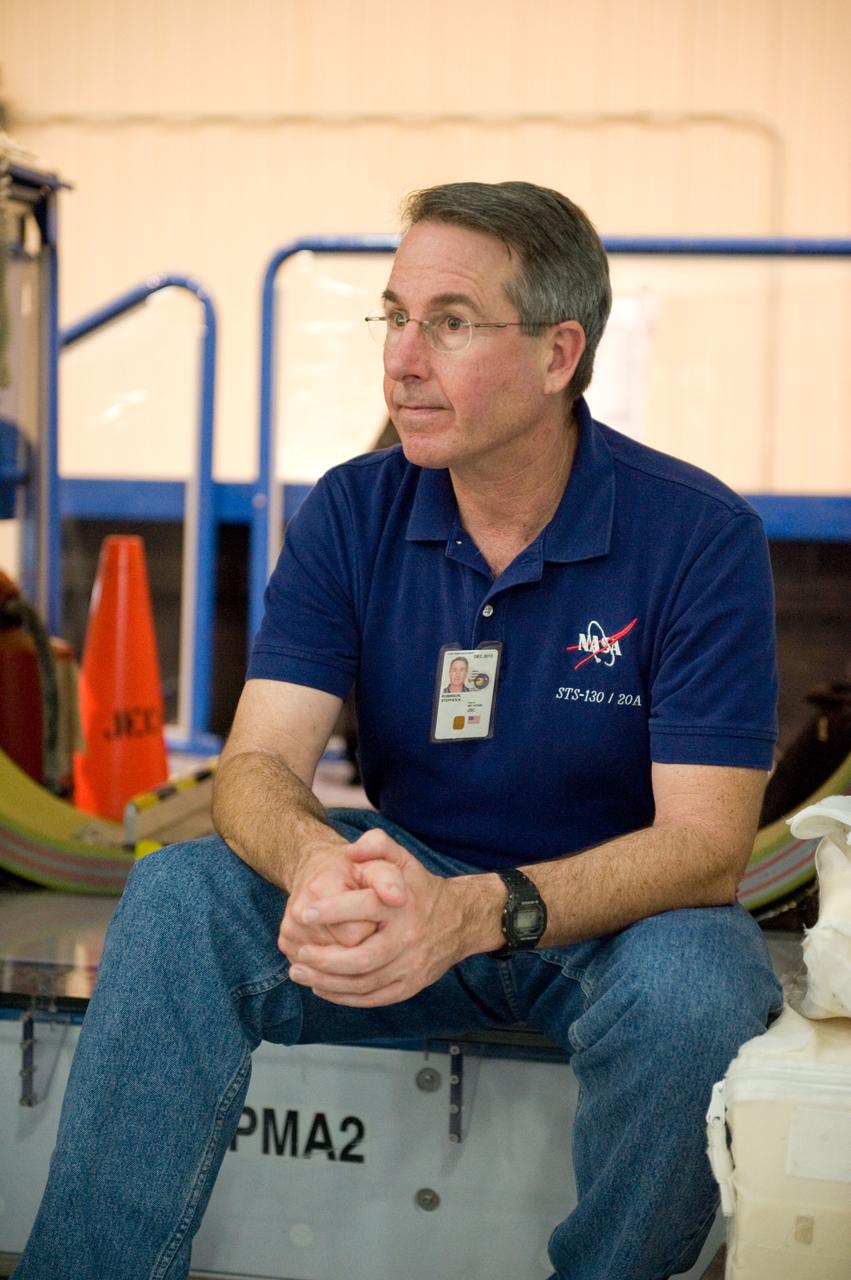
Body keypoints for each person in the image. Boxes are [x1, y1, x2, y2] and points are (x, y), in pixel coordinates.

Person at [15, 180, 783, 1280]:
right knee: (181, 895)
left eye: (451, 322)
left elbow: (706, 846)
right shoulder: (352, 509)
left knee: (697, 987)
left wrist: (473, 910)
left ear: (559, 353)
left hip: (615, 916)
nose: (402, 359)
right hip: (404, 881)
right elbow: (255, 767)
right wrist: (321, 864)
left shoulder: (695, 537)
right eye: (394, 315)